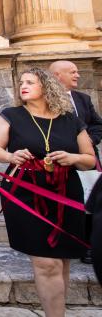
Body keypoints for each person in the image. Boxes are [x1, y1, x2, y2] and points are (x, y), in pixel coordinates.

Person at [0, 67, 96, 317]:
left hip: (65, 193)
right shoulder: (11, 115)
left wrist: (72, 157)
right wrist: (11, 156)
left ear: (46, 87)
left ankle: (55, 312)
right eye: (21, 82)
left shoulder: (70, 120)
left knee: (62, 260)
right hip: (25, 192)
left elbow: (89, 159)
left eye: (30, 82)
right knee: (46, 261)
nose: (23, 86)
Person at [49, 60, 102, 265]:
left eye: (77, 71)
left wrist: (88, 142)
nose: (77, 75)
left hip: (87, 160)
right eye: (72, 72)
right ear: (57, 76)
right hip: (60, 160)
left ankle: (89, 245)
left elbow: (97, 124)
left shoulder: (83, 99)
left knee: (90, 201)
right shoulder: (45, 102)